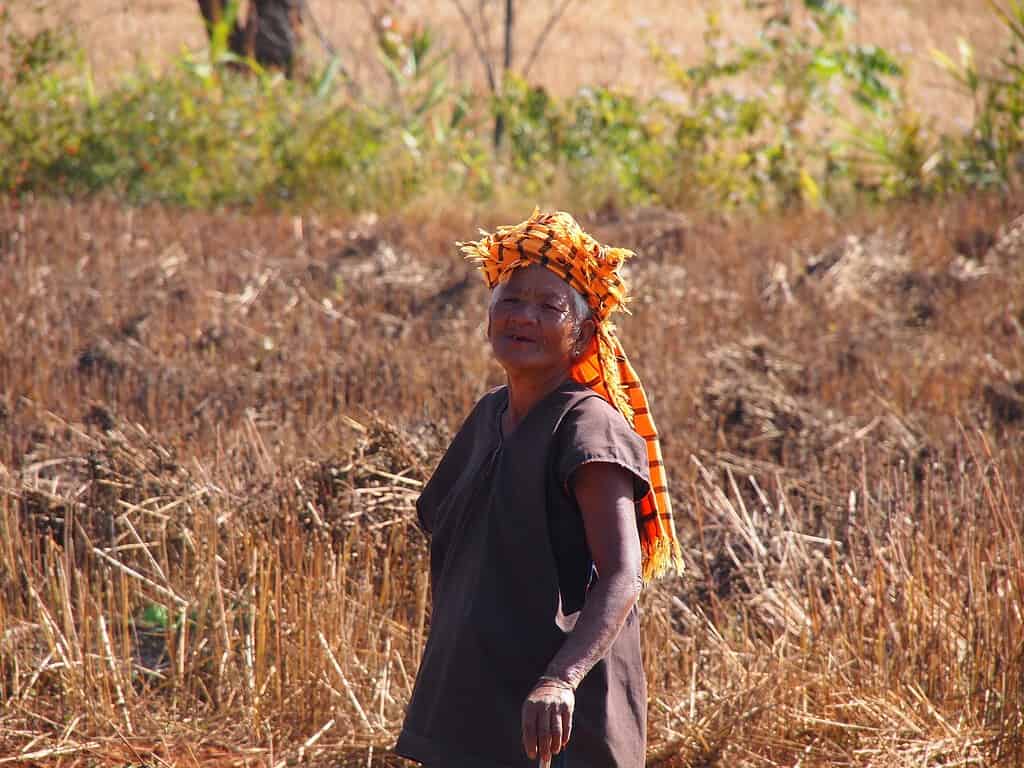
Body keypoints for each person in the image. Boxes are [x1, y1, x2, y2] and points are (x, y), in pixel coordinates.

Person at [394, 211, 684, 768]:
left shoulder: (587, 427)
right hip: (477, 703)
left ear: (583, 335)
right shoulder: (488, 416)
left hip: (558, 721)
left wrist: (560, 679)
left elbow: (623, 575)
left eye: (548, 306)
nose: (523, 317)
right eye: (509, 300)